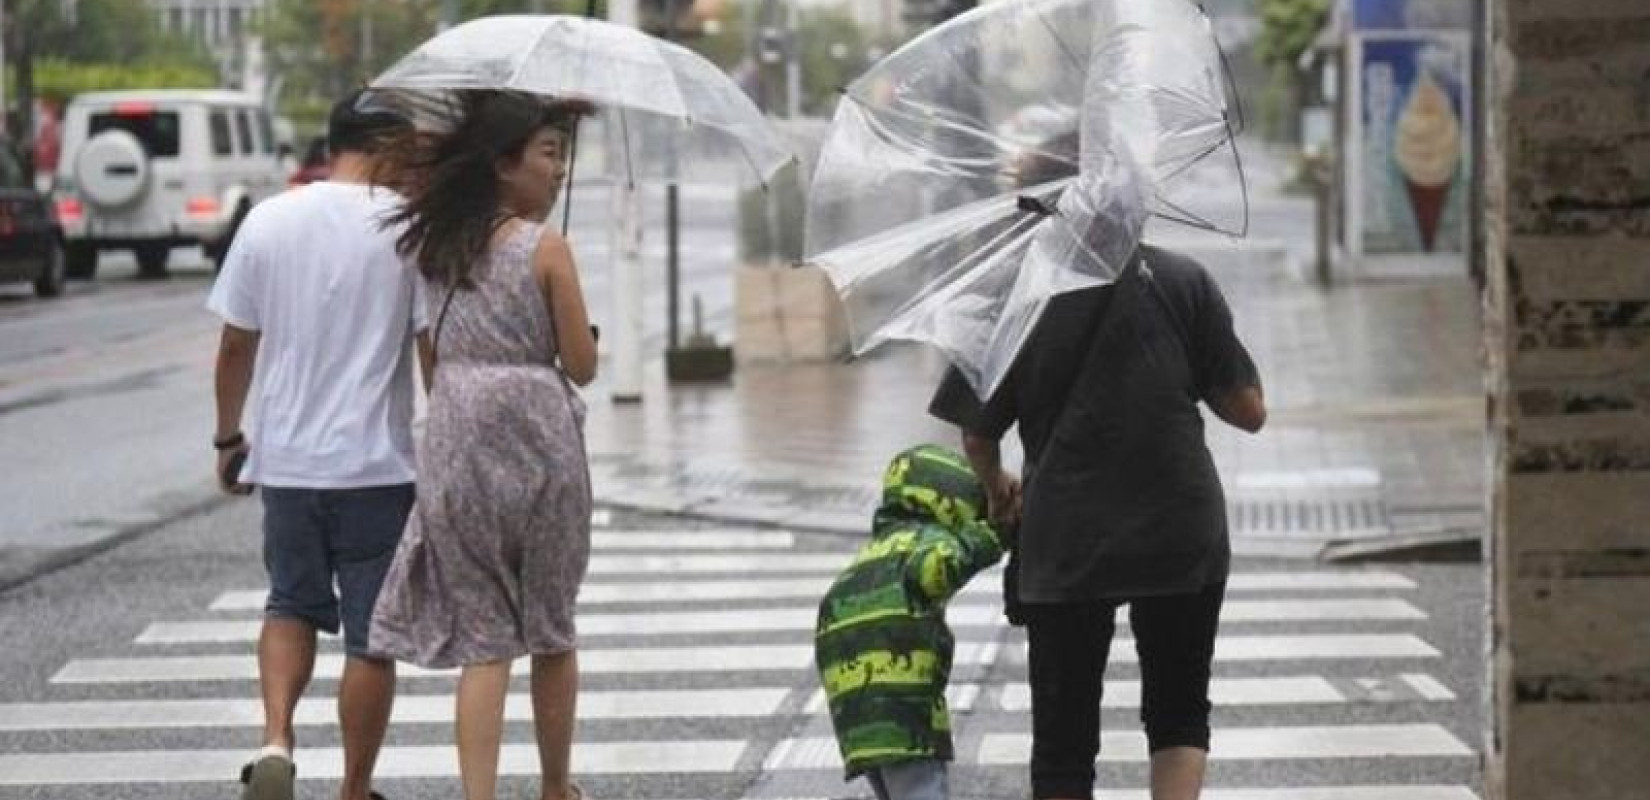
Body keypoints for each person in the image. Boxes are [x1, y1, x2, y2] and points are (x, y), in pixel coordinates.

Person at [929, 238, 1265, 799]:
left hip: (1067, 534)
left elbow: (976, 433)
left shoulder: (1015, 293)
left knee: (1063, 743)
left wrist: (997, 488)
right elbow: (1249, 412)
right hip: (1179, 525)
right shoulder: (1183, 278)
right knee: (1179, 710)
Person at [367, 90, 598, 800]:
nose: (558, 171)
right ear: (504, 163)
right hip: (538, 434)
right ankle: (556, 789)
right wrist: (585, 341)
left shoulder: (438, 244)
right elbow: (581, 364)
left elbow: (431, 356)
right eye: (549, 154)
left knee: (485, 639)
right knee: (551, 626)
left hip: (456, 432)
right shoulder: (546, 247)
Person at [209, 92, 425, 800]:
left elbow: (236, 343)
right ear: (388, 146)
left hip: (289, 466)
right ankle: (355, 790)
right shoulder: (407, 230)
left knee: (289, 605)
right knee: (370, 640)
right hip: (375, 469)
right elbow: (431, 353)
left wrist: (228, 435)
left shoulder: (270, 218)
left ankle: (276, 738)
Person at [815, 444, 1008, 800]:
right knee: (921, 790)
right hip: (902, 708)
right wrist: (996, 534)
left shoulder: (872, 554)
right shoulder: (924, 542)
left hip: (853, 712)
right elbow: (938, 570)